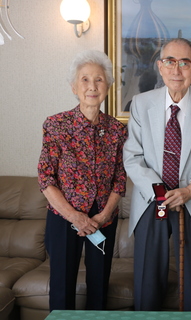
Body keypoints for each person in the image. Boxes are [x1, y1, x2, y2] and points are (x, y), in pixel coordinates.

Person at [123, 38, 191, 311]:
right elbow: (132, 157)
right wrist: (161, 192)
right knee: (148, 282)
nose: (176, 70)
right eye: (170, 62)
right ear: (160, 66)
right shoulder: (140, 103)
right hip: (151, 201)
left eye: (184, 63)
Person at [38, 50, 127, 311]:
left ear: (108, 87)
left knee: (99, 285)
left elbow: (119, 179)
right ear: (74, 87)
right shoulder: (56, 125)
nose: (92, 86)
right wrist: (74, 216)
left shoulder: (117, 130)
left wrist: (103, 216)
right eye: (85, 80)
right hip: (64, 219)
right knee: (62, 285)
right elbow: (46, 177)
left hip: (103, 219)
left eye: (99, 80)